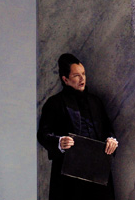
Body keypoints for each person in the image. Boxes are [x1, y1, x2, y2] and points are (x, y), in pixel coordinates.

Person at [37, 53, 118, 200]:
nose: (82, 79)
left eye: (83, 74)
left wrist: (111, 139)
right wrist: (59, 142)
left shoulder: (95, 101)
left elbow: (108, 129)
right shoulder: (54, 103)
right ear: (65, 79)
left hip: (98, 175)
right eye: (76, 75)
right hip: (68, 180)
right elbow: (43, 135)